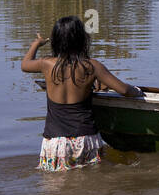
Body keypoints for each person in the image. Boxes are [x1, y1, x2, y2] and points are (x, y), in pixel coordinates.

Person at [20, 16, 141, 172]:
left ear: (56, 40)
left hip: (55, 141)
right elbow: (124, 90)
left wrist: (36, 44)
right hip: (85, 138)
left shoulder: (46, 64)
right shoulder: (92, 66)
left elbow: (25, 65)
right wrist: (137, 91)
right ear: (82, 39)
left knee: (54, 188)